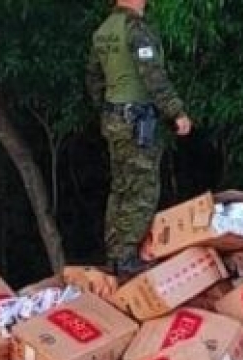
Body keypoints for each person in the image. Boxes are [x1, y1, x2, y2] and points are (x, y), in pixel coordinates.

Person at [87, 0, 193, 278]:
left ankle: (115, 254)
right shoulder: (136, 30)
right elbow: (153, 76)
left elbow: (94, 79)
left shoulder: (104, 30)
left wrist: (109, 112)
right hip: (136, 119)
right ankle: (127, 258)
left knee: (121, 186)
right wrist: (176, 112)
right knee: (143, 188)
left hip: (114, 118)